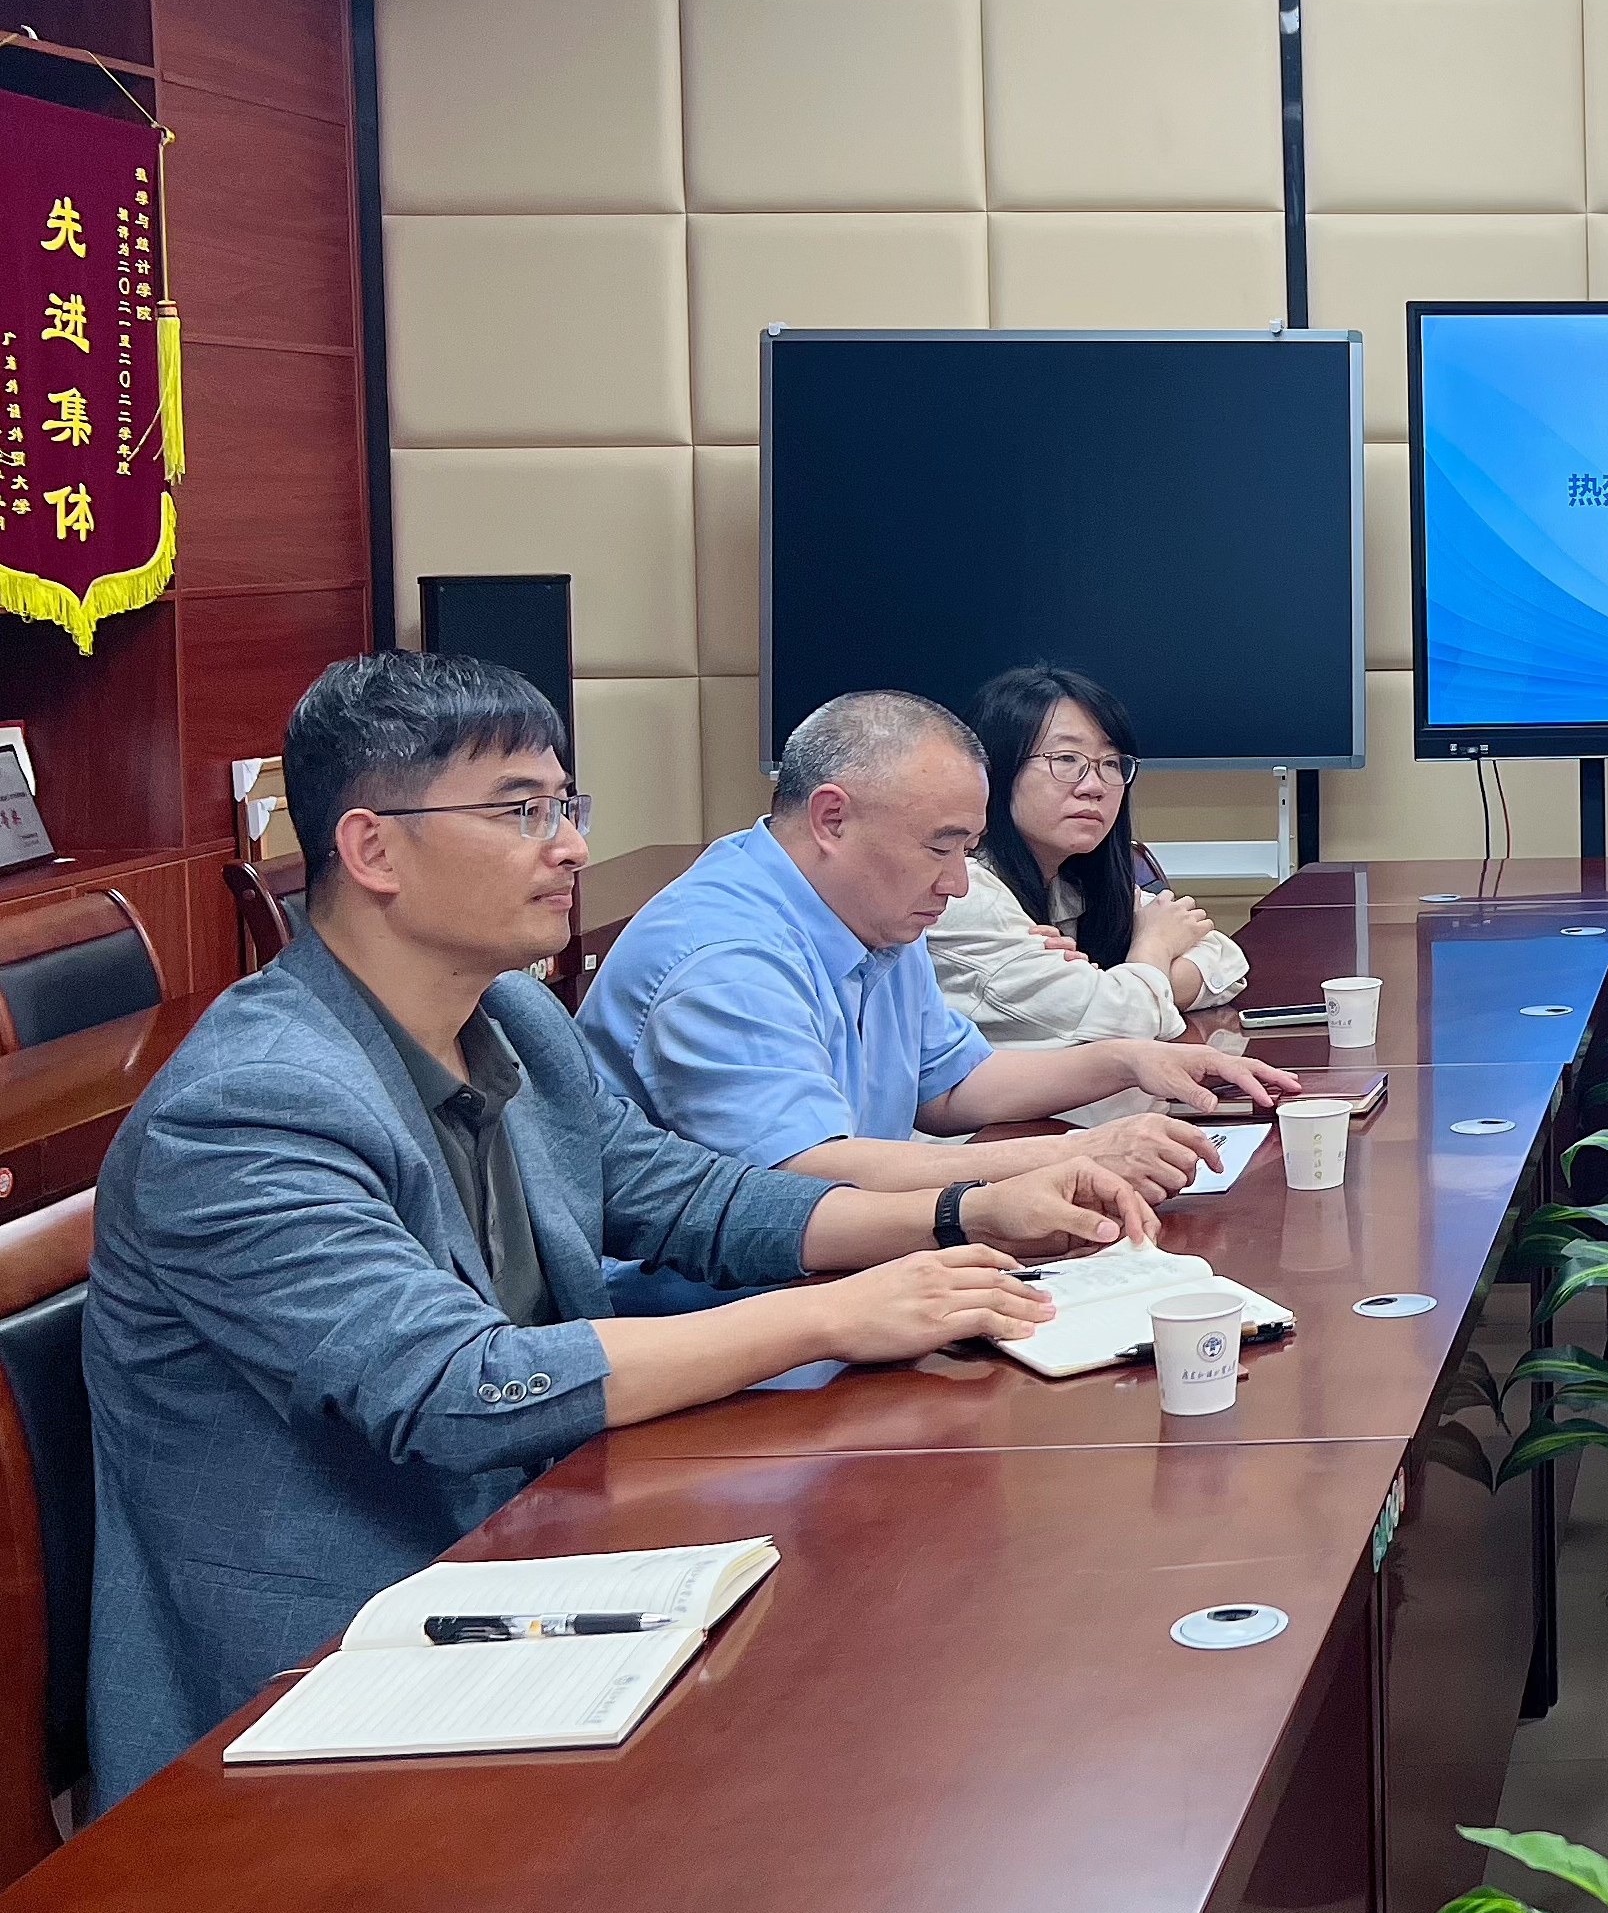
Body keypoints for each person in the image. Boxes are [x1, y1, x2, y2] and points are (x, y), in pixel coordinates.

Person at [83, 655, 1155, 1802]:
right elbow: (452, 1389)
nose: (573, 847)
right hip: (319, 1682)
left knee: (918, 1671)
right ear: (373, 850)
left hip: (539, 1555)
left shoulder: (510, 1018)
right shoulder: (250, 1104)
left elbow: (689, 1197)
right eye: (521, 813)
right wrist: (834, 1316)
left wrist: (960, 1212)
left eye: (566, 805)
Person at [582, 691, 1296, 1207]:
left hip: (849, 1268)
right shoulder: (726, 959)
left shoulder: (871, 908)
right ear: (832, 818)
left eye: (968, 848)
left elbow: (950, 1085)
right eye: (940, 847)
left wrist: (1127, 1060)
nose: (957, 884)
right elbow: (803, 1177)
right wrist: (1076, 1152)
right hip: (725, 1308)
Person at [928, 664, 1248, 1049]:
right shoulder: (963, 894)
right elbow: (1124, 1022)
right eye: (1066, 759)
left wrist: (1120, 985)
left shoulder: (1071, 883)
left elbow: (1226, 959)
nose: (1094, 786)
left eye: (1110, 763)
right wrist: (1153, 949)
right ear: (996, 770)